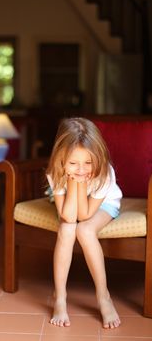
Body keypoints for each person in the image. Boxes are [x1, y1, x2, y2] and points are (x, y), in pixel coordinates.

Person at [46, 117, 122, 329]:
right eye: (73, 163)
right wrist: (73, 182)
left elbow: (86, 214)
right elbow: (69, 216)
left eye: (88, 162)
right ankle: (59, 297)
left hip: (103, 204)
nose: (81, 169)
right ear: (61, 159)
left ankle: (104, 297)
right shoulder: (56, 170)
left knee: (85, 230)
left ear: (97, 158)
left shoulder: (103, 173)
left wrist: (81, 183)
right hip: (72, 205)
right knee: (67, 229)